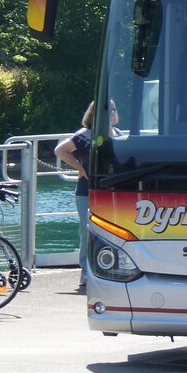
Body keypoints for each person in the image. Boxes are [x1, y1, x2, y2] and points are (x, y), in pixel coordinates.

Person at [55, 100, 118, 290]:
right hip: (86, 190)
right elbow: (60, 150)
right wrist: (80, 168)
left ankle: (110, 267)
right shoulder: (84, 135)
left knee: (112, 231)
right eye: (111, 110)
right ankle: (85, 272)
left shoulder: (118, 135)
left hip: (111, 190)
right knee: (86, 230)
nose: (114, 113)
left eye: (115, 109)